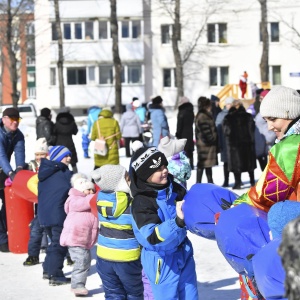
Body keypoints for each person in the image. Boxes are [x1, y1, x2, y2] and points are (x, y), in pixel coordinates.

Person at [130, 144, 198, 299]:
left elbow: (193, 209)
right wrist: (177, 223)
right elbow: (153, 236)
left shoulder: (174, 188)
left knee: (190, 295)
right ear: (145, 175)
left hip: (183, 251)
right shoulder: (142, 202)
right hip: (161, 260)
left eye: (164, 165)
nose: (165, 170)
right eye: (158, 169)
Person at [233, 85, 300, 210]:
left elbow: (266, 195)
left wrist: (237, 204)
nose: (269, 127)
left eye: (273, 119)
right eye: (266, 120)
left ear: (289, 113)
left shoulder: (290, 146)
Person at [91, 164, 143, 300]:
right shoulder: (131, 204)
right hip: (127, 257)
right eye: (127, 178)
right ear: (120, 183)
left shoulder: (100, 199)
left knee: (113, 294)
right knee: (134, 293)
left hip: (103, 255)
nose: (130, 181)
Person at [38, 145, 73, 286]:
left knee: (54, 244)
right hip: (57, 214)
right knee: (59, 246)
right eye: (66, 156)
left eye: (70, 155)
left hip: (44, 214)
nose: (69, 158)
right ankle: (55, 274)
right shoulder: (64, 172)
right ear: (58, 157)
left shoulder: (44, 172)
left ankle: (47, 269)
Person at [60, 174, 98, 297]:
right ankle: (77, 285)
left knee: (85, 262)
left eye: (93, 190)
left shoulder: (89, 202)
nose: (91, 192)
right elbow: (81, 204)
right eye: (88, 189)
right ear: (81, 190)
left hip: (84, 240)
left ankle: (79, 284)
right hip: (75, 238)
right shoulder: (74, 199)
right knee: (82, 261)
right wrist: (93, 197)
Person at [0, 107, 26, 252]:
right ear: (4, 119)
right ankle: (2, 238)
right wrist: (10, 172)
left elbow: (19, 153)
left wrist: (20, 170)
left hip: (2, 173)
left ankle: (3, 236)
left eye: (18, 119)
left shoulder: (18, 135)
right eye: (12, 119)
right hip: (3, 169)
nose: (15, 122)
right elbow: (1, 156)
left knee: (6, 202)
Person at [23, 138, 49, 266]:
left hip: (49, 201)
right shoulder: (32, 165)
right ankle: (33, 255)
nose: (39, 157)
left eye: (42, 154)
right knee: (36, 228)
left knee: (54, 229)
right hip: (37, 200)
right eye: (37, 154)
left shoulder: (51, 165)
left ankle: (65, 254)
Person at [222, 99, 256, 189]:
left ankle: (237, 183)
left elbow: (226, 132)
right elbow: (252, 129)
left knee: (236, 165)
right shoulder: (248, 116)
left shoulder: (228, 118)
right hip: (247, 145)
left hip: (234, 146)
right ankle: (252, 181)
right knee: (249, 165)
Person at [195, 96, 218, 184]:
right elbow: (205, 130)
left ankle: (210, 182)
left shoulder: (205, 114)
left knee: (208, 165)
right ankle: (198, 183)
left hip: (206, 145)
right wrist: (212, 139)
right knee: (202, 164)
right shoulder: (202, 116)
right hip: (205, 146)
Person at [254, 89, 276, 171]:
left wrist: (269, 138)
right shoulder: (262, 108)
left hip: (267, 141)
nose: (260, 100)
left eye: (261, 98)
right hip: (260, 140)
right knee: (262, 162)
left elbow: (274, 125)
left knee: (268, 166)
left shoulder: (270, 110)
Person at [215, 96, 234, 187]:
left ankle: (237, 180)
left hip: (234, 143)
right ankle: (226, 180)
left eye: (230, 104)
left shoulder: (235, 113)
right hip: (224, 141)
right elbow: (217, 128)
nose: (228, 106)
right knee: (226, 163)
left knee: (235, 162)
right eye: (227, 104)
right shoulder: (221, 114)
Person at [53, 108, 78, 173]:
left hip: (59, 144)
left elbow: (53, 132)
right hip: (70, 143)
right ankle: (75, 175)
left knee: (60, 160)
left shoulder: (57, 123)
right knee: (73, 162)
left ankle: (61, 175)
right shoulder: (72, 123)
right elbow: (75, 132)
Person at [175, 96, 195, 168]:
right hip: (190, 132)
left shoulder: (182, 111)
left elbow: (179, 124)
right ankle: (192, 164)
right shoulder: (191, 111)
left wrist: (178, 133)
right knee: (190, 149)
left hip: (183, 133)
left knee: (183, 149)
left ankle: (184, 165)